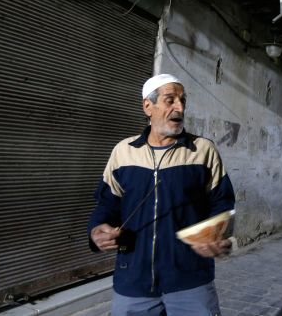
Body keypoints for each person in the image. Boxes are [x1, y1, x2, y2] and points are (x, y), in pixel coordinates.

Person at [88, 74, 235, 316]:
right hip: (133, 281)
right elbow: (106, 204)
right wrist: (96, 230)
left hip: (191, 280)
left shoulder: (202, 151)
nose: (180, 107)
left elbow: (222, 202)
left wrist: (216, 232)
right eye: (170, 100)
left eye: (182, 100)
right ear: (148, 106)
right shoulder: (123, 152)